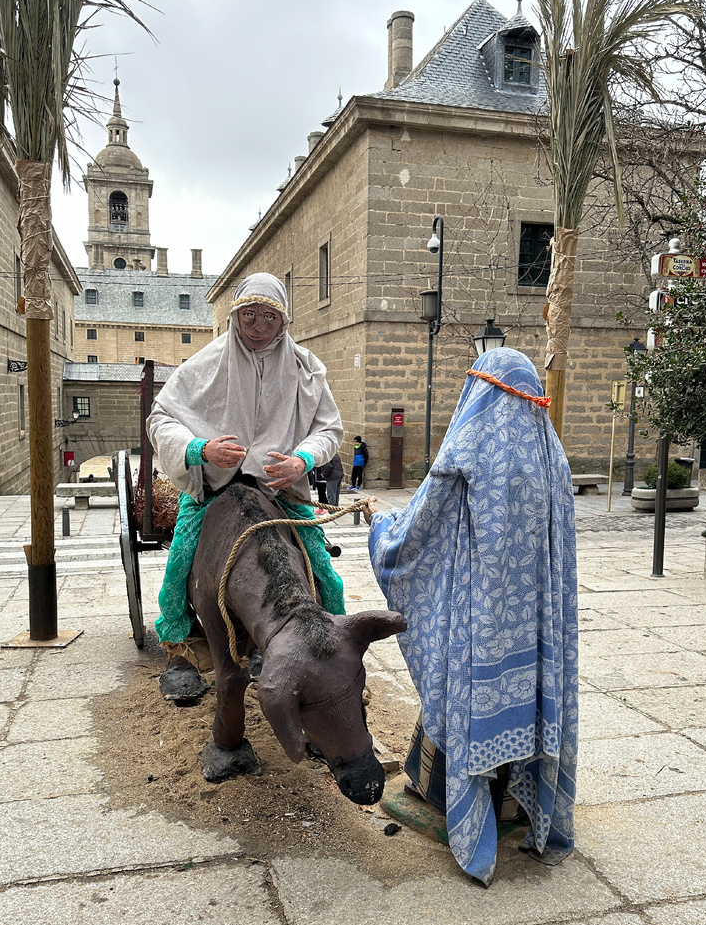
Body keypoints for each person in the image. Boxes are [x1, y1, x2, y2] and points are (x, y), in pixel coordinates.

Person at [365, 347, 578, 886]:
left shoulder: (469, 444)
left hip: (478, 624)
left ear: (479, 390)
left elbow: (416, 532)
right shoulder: (552, 457)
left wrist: (381, 526)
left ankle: (451, 803)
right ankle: (522, 806)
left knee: (458, 699)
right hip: (536, 627)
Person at [147, 272, 344, 698]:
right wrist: (200, 449)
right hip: (212, 488)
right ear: (235, 315)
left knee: (326, 576)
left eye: (269, 316)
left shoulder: (306, 369)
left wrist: (302, 460)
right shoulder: (204, 364)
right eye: (249, 314)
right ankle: (180, 648)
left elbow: (329, 428)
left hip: (281, 489)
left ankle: (334, 650)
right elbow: (160, 419)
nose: (258, 326)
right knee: (180, 562)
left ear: (284, 320)